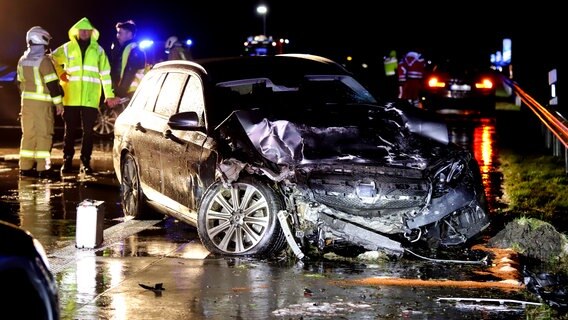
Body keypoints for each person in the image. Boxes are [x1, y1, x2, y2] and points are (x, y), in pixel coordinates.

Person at [51, 17, 120, 175]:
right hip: (71, 96)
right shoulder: (67, 48)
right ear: (77, 31)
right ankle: (67, 160)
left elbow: (105, 74)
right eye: (81, 30)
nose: (84, 32)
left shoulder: (99, 51)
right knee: (69, 132)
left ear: (91, 32)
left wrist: (109, 95)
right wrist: (61, 73)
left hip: (90, 98)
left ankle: (85, 162)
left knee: (88, 132)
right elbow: (52, 59)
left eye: (87, 30)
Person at [16, 26, 64, 180]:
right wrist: (59, 104)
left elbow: (19, 83)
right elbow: (52, 85)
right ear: (41, 40)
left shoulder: (22, 60)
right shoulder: (44, 61)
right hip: (42, 105)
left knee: (28, 134)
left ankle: (25, 166)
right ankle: (43, 168)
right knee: (44, 134)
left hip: (26, 103)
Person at [109, 20, 146, 101]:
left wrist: (120, 93)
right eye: (117, 33)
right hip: (130, 92)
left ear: (129, 34)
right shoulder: (128, 48)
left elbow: (129, 71)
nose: (117, 36)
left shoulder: (132, 48)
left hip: (130, 93)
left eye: (120, 33)